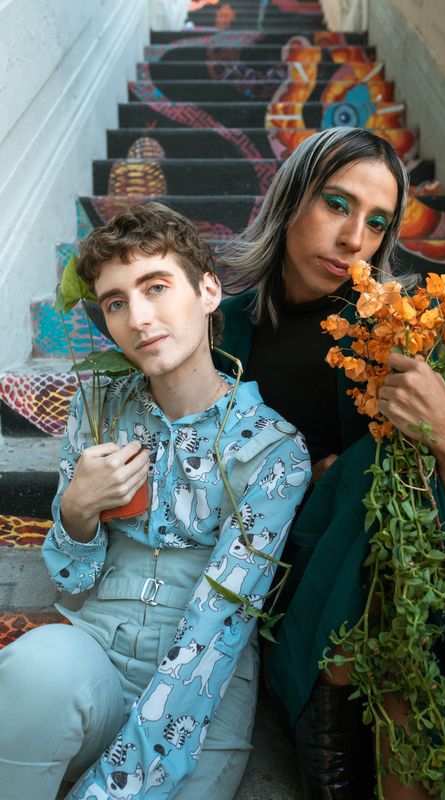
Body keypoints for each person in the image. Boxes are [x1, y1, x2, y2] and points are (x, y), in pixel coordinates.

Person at [214, 127, 445, 798]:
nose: (354, 237)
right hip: (271, 570)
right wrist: (303, 482)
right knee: (360, 472)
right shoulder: (217, 332)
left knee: (365, 470)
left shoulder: (396, 329)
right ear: (290, 197)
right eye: (336, 203)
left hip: (391, 568)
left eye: (377, 222)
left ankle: (332, 732)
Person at [0, 202, 311, 800]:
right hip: (91, 655)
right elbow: (70, 575)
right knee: (35, 671)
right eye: (116, 301)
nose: (139, 318)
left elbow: (218, 630)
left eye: (157, 286)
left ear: (210, 292)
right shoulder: (99, 410)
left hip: (202, 695)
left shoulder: (272, 451)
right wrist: (77, 511)